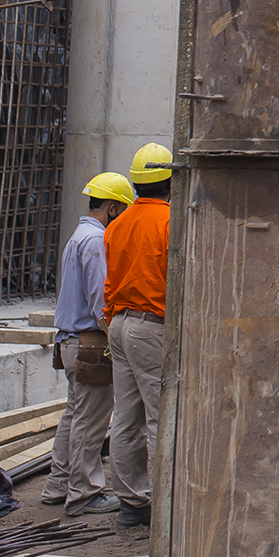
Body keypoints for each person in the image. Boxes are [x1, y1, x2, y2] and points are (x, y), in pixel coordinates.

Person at [43, 173, 130, 517]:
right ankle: (84, 492)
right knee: (91, 421)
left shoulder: (78, 235)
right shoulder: (95, 241)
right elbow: (99, 301)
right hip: (88, 343)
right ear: (112, 209)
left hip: (70, 342)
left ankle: (58, 484)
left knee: (74, 416)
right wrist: (117, 338)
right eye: (123, 212)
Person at [104, 142, 173, 528]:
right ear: (171, 182)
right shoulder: (171, 221)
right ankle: (166, 505)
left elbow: (109, 283)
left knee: (126, 417)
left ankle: (132, 504)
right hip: (151, 327)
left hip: (119, 325)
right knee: (161, 418)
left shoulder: (118, 223)